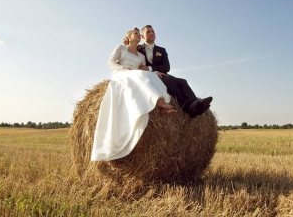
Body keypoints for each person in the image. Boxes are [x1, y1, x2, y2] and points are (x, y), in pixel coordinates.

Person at [90, 27, 176, 162]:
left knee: (147, 77)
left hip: (135, 75)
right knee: (140, 76)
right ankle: (160, 103)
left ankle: (159, 104)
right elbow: (110, 62)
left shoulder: (141, 56)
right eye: (136, 33)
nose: (138, 36)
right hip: (121, 75)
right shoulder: (121, 48)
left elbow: (143, 71)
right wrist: (122, 68)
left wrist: (154, 73)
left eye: (138, 34)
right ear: (129, 37)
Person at [137, 25, 212, 118]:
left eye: (153, 31)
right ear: (142, 36)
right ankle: (187, 108)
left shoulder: (161, 50)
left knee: (182, 81)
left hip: (161, 74)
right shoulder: (138, 49)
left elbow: (166, 67)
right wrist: (151, 71)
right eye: (148, 32)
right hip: (148, 77)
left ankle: (194, 102)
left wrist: (149, 68)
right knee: (170, 81)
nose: (152, 33)